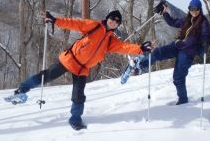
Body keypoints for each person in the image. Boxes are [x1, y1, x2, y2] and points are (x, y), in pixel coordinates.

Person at [11, 10, 153, 130]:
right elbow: (75, 23)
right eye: (112, 19)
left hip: (82, 69)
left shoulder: (111, 40)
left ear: (118, 25)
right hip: (70, 59)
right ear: (107, 18)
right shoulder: (94, 26)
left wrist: (140, 49)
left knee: (79, 95)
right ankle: (22, 89)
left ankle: (75, 120)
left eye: (117, 22)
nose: (113, 22)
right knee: (46, 77)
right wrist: (55, 20)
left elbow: (124, 47)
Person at [133, 0, 210, 105]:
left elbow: (206, 35)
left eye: (196, 9)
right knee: (157, 52)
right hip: (178, 46)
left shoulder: (203, 23)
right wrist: (165, 13)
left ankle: (183, 100)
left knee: (178, 77)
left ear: (200, 9)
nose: (194, 11)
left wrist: (205, 42)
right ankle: (140, 65)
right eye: (191, 9)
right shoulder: (187, 20)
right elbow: (173, 22)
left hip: (188, 53)